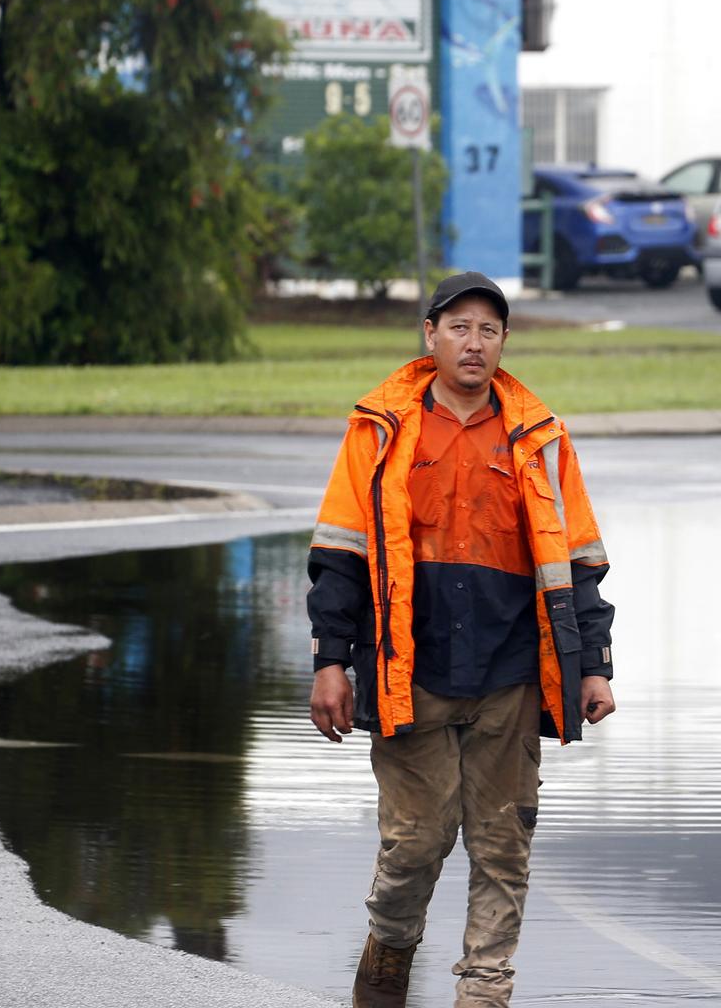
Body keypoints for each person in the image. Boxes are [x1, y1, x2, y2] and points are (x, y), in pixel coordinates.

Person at [306, 271, 616, 1008]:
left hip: (511, 672)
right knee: (416, 843)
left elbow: (579, 560)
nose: (473, 343)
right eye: (459, 327)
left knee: (503, 844)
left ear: (503, 342)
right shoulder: (379, 431)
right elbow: (340, 555)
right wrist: (330, 661)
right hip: (410, 669)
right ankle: (390, 945)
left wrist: (594, 665)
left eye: (488, 329)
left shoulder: (540, 436)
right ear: (430, 336)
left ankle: (485, 989)